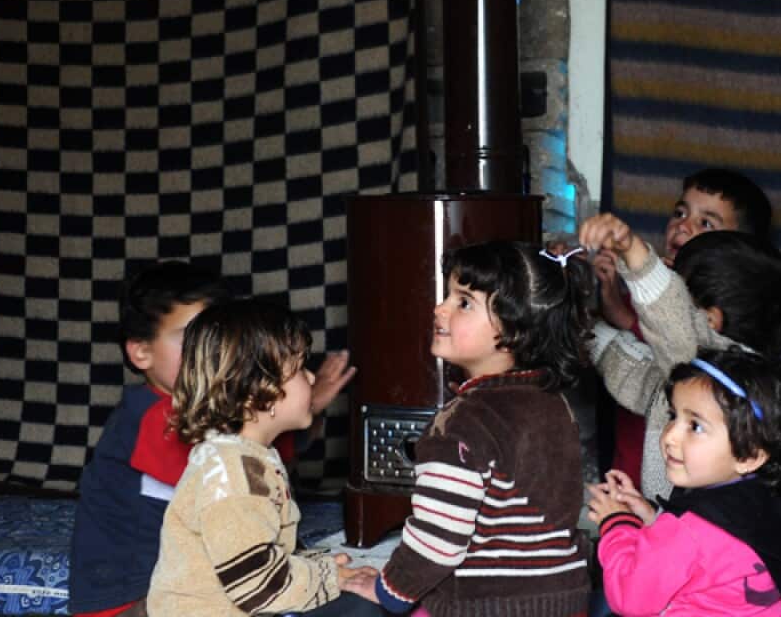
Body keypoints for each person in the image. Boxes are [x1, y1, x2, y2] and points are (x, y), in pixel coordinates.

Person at [69, 261, 355, 617]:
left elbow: (258, 463)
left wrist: (301, 408)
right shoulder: (154, 419)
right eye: (194, 338)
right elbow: (237, 485)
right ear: (141, 351)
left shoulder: (228, 440)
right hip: (129, 596)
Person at [361, 241, 595, 616]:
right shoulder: (555, 404)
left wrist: (388, 588)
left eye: (464, 302)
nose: (440, 309)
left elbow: (438, 541)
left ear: (513, 331)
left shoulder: (463, 421)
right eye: (447, 296)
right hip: (565, 601)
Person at [146, 298, 381, 617]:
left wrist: (320, 567)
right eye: (299, 370)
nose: (312, 379)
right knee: (360, 608)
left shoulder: (249, 457)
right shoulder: (232, 472)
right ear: (259, 391)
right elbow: (259, 587)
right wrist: (329, 579)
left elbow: (262, 551)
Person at [587, 348, 781, 615]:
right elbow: (714, 558)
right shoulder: (777, 500)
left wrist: (617, 524)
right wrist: (653, 520)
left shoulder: (686, 532)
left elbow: (630, 598)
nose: (670, 436)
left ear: (750, 455)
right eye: (674, 415)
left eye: (696, 426)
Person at [580, 215, 781, 501]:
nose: (670, 436)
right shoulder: (683, 375)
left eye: (694, 426)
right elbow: (631, 365)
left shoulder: (714, 374)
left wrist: (632, 250)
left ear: (708, 321)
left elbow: (669, 316)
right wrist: (580, 329)